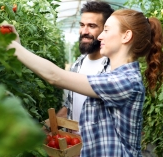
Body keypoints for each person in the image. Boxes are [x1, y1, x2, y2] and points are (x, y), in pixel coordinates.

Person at [7, 8, 163, 157]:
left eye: (106, 30)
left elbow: (55, 77)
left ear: (126, 36)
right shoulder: (112, 75)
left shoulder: (126, 81)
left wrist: (13, 47)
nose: (100, 37)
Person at [43, 1, 114, 134]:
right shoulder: (78, 64)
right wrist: (45, 132)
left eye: (92, 26)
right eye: (82, 25)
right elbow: (69, 107)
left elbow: (54, 77)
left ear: (106, 30)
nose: (84, 31)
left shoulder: (112, 68)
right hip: (74, 148)